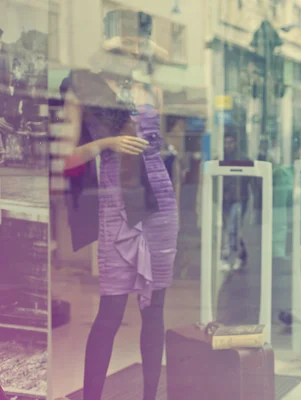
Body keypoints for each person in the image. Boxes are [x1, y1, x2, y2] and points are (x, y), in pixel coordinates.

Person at [61, 10, 177, 400]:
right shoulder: (83, 87)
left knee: (154, 308)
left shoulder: (147, 88)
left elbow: (168, 56)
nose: (132, 48)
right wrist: (107, 144)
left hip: (158, 198)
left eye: (137, 41)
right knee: (110, 311)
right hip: (116, 202)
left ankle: (149, 396)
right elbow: (65, 158)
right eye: (124, 41)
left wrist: (142, 47)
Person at [221, 129, 251, 271]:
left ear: (236, 142)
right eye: (226, 142)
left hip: (239, 198)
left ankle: (230, 257)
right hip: (226, 198)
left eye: (231, 142)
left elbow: (250, 178)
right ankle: (241, 254)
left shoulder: (242, 158)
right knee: (230, 228)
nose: (228, 145)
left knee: (233, 228)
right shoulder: (221, 158)